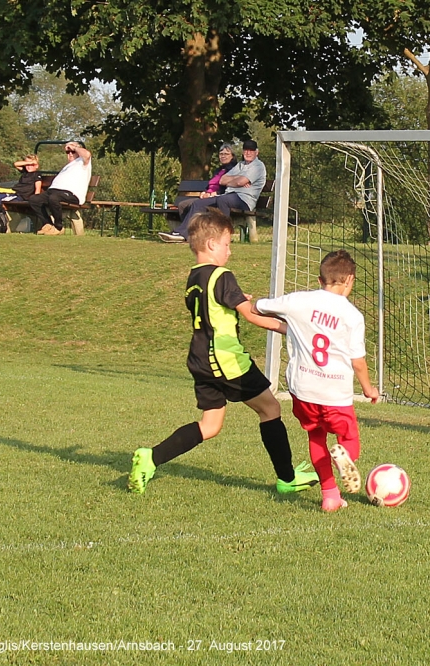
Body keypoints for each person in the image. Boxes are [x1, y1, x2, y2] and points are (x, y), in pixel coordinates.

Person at [129, 208, 319, 496]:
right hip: (225, 359)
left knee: (210, 425)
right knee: (270, 409)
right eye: (227, 244)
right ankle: (287, 478)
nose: (229, 251)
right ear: (211, 244)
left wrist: (236, 300)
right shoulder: (222, 275)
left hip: (200, 359)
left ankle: (151, 458)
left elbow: (211, 308)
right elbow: (252, 315)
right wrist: (292, 330)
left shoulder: (194, 277)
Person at [254, 250, 380, 512]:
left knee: (316, 436)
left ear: (320, 280)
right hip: (335, 392)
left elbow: (260, 307)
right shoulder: (352, 316)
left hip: (303, 390)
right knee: (348, 438)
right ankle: (346, 456)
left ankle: (330, 496)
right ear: (350, 280)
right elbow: (358, 361)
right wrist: (369, 389)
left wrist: (247, 303)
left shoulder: (299, 301)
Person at [159, 140, 266, 243]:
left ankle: (222, 235)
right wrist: (238, 178)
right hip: (228, 196)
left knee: (222, 200)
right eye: (246, 150)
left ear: (256, 152)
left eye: (251, 151)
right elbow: (222, 180)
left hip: (244, 200)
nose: (248, 153)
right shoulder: (240, 165)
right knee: (198, 203)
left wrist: (237, 180)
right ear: (243, 152)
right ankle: (183, 234)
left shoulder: (258, 166)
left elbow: (240, 182)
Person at [29, 141, 92, 235]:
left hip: (72, 194)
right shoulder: (68, 166)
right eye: (67, 152)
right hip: (53, 192)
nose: (70, 154)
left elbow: (87, 154)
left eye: (72, 152)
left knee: (54, 198)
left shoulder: (82, 162)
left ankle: (58, 227)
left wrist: (74, 147)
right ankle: (48, 224)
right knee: (34, 199)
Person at [173, 144, 238, 219]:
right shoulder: (218, 170)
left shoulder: (234, 170)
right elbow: (210, 185)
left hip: (218, 199)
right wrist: (204, 192)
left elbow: (230, 188)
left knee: (196, 204)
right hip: (207, 196)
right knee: (182, 205)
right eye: (221, 154)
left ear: (232, 156)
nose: (223, 156)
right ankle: (189, 226)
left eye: (226, 154)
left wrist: (215, 193)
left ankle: (190, 226)